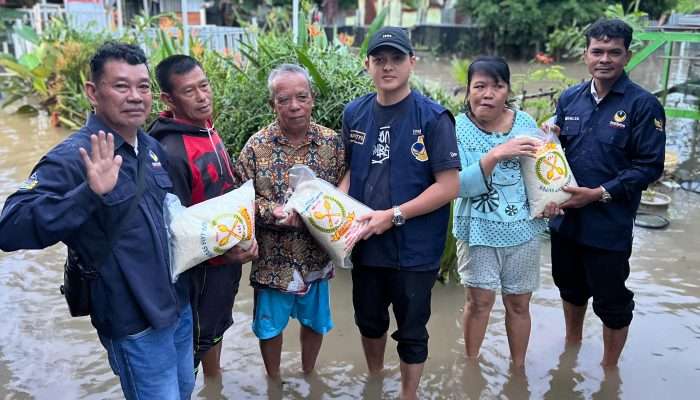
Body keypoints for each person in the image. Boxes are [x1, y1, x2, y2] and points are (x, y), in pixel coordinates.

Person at [0, 42, 195, 399]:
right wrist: (88, 194)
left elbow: (174, 222)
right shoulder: (73, 157)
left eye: (143, 86)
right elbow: (10, 226)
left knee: (184, 392)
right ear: (93, 92)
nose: (135, 96)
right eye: (121, 86)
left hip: (178, 309)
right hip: (134, 321)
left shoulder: (152, 149)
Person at [340, 27, 460, 400]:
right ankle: (375, 381)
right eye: (379, 60)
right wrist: (333, 212)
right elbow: (349, 171)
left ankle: (409, 393)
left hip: (415, 248)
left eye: (395, 59)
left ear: (412, 62)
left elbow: (448, 186)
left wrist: (392, 215)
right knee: (369, 321)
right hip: (366, 243)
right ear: (367, 65)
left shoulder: (434, 118)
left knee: (412, 329)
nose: (387, 67)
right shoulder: (354, 113)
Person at [542, 19, 666, 368]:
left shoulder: (643, 106)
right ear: (586, 54)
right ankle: (572, 345)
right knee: (570, 288)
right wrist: (548, 135)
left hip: (608, 224)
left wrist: (599, 193)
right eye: (598, 51)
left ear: (628, 55)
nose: (605, 59)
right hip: (566, 221)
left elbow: (649, 167)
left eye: (614, 52)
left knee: (612, 301)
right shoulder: (570, 98)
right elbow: (556, 155)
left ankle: (609, 369)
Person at [233, 64, 345, 378]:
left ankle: (309, 375)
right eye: (284, 100)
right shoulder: (256, 147)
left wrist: (326, 213)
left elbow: (343, 192)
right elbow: (239, 200)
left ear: (312, 99)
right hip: (272, 259)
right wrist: (274, 212)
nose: (294, 106)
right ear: (272, 105)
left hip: (315, 256)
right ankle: (274, 381)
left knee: (315, 322)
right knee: (269, 329)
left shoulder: (332, 144)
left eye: (302, 97)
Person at [150, 54, 258, 378]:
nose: (202, 97)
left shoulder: (207, 128)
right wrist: (224, 257)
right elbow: (178, 233)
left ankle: (215, 385)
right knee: (193, 345)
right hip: (202, 273)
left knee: (215, 328)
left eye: (204, 86)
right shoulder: (170, 150)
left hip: (225, 260)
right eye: (189, 91)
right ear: (168, 99)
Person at [452, 56, 546, 368]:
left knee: (519, 304)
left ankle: (518, 369)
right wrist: (496, 154)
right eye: (480, 86)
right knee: (479, 303)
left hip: (523, 230)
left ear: (508, 91)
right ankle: (471, 364)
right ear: (468, 91)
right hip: (477, 230)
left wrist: (552, 200)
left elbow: (540, 176)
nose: (488, 93)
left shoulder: (525, 124)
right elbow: (458, 185)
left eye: (497, 86)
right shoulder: (458, 128)